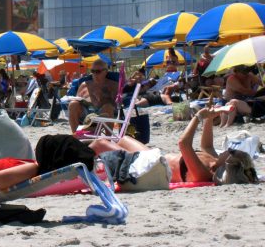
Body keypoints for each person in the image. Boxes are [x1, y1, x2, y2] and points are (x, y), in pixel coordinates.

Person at [92, 107, 258, 184]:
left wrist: (198, 117)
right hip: (153, 156)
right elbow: (206, 144)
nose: (229, 149)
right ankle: (91, 161)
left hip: (147, 166)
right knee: (122, 139)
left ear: (227, 165)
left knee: (101, 143)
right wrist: (210, 117)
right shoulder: (213, 160)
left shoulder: (203, 173)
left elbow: (183, 144)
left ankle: (74, 163)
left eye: (231, 151)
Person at [68, 60, 117, 132]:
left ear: (106, 71)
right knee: (73, 104)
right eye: (92, 71)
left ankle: (107, 139)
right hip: (86, 112)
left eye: (98, 71)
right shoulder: (84, 84)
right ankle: (76, 134)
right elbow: (77, 99)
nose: (94, 74)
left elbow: (117, 104)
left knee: (108, 107)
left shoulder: (113, 85)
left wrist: (102, 98)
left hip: (103, 113)